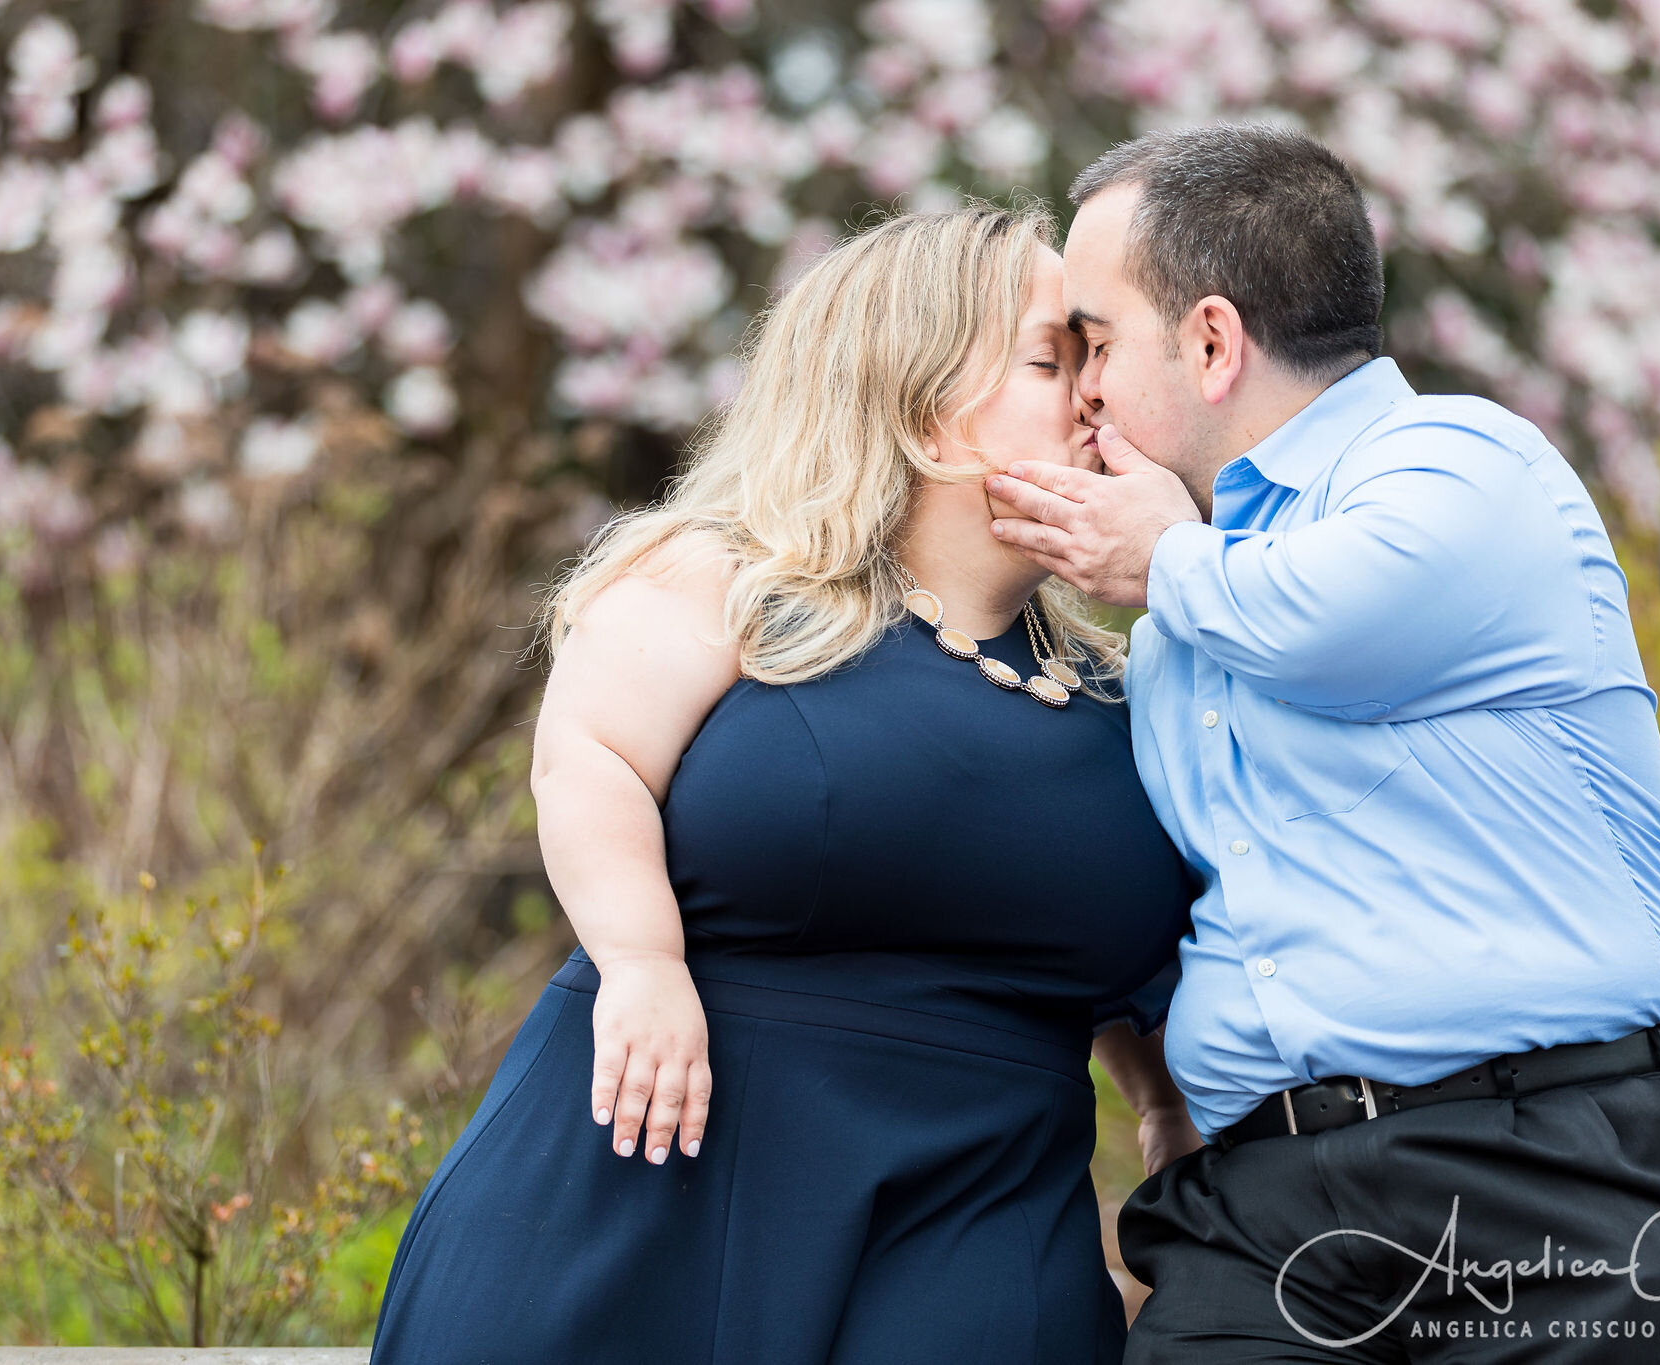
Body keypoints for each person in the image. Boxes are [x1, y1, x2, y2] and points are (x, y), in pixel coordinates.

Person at [986, 125, 1660, 1363]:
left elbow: (1328, 623)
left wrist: (1156, 556)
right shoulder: (1176, 621)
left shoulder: (1460, 464)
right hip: (1264, 1211)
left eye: (1095, 341)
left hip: (1553, 1181)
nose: (1079, 388)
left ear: (1208, 342)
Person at [368, 203, 1203, 1365]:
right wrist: (641, 963)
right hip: (657, 1186)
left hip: (975, 1219)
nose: (1094, 394)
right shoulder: (739, 584)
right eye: (1052, 357)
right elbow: (586, 759)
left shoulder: (1128, 688)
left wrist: (1163, 1103)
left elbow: (1127, 950)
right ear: (922, 407)